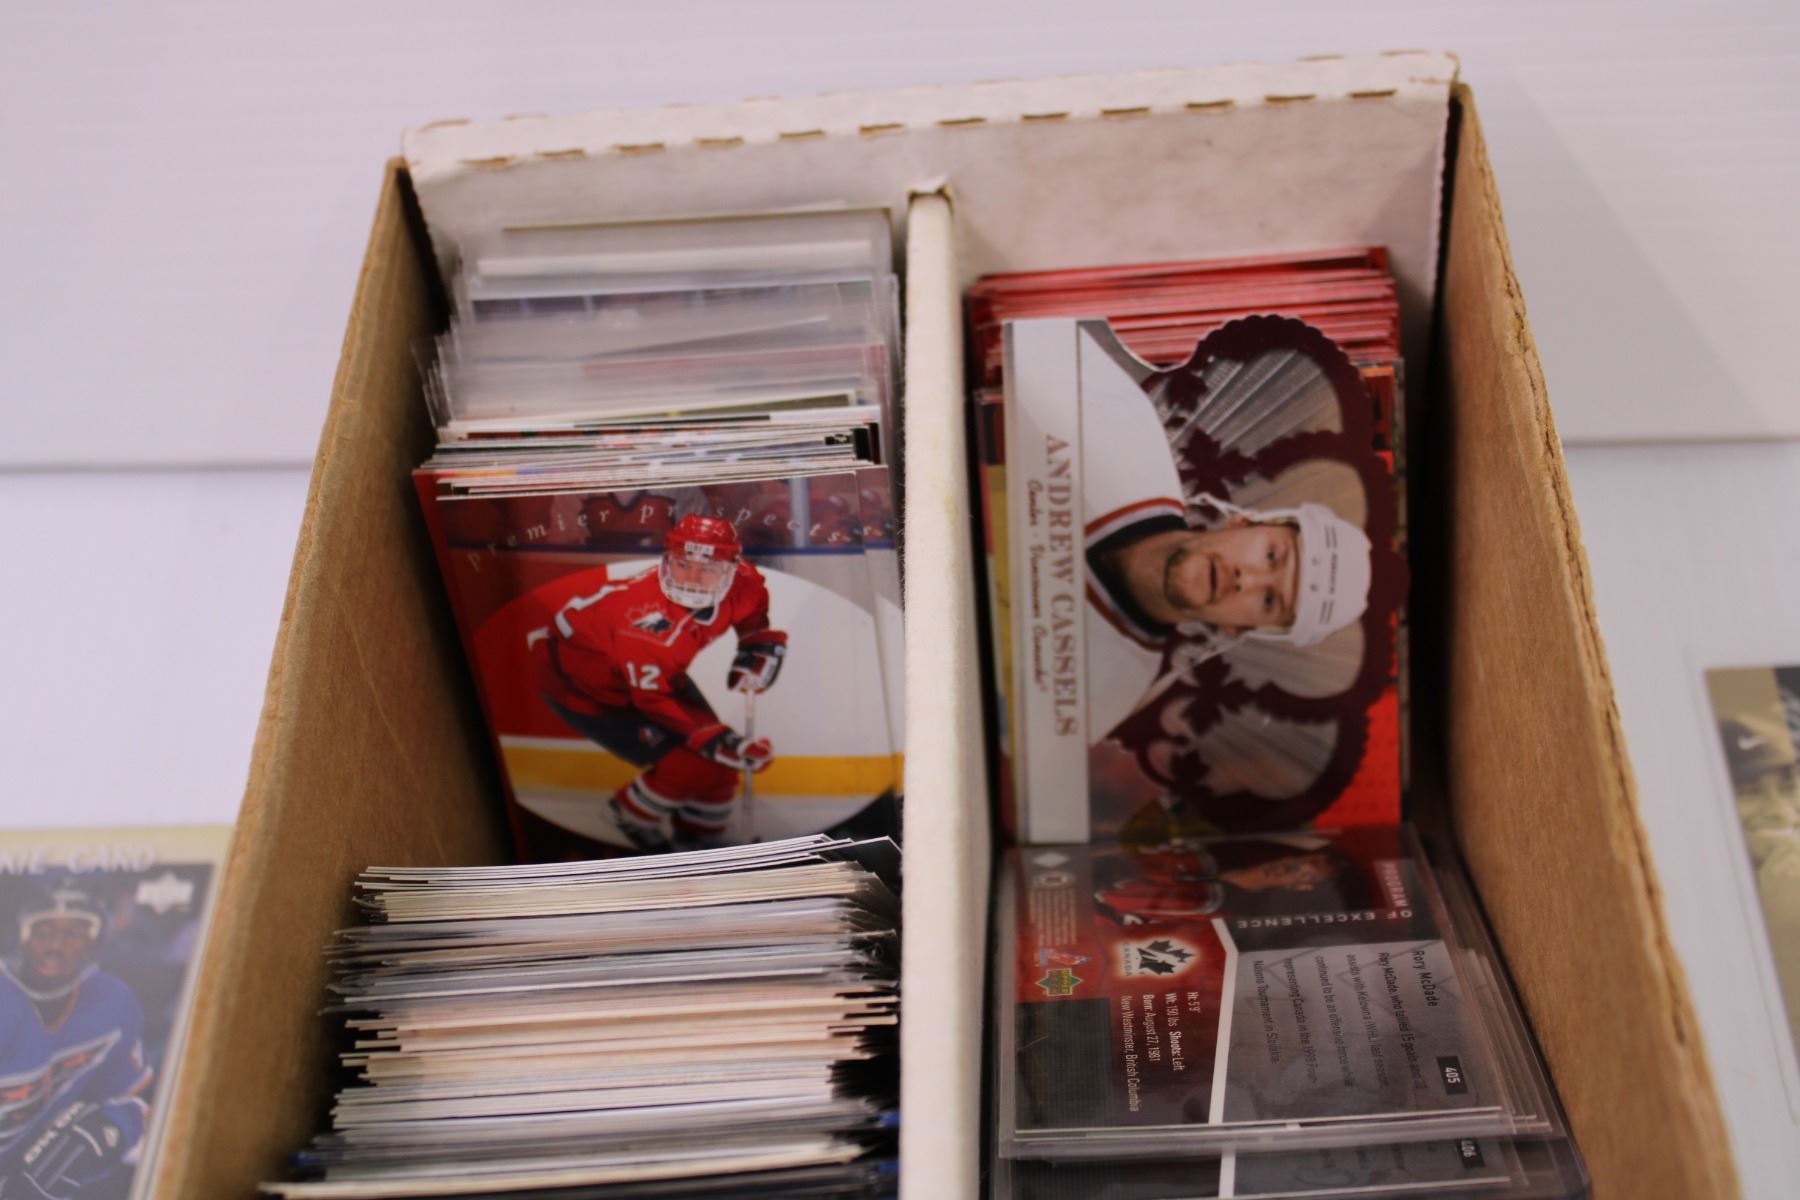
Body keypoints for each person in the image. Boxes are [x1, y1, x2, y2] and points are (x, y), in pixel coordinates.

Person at [1075, 322, 1375, 739]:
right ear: (1243, 520)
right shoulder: (1125, 439)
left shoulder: (1108, 695)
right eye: (1271, 555)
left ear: (1238, 630)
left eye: (1269, 600)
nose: (1246, 579)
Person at [532, 513, 788, 852]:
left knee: (720, 766)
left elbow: (751, 612)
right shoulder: (641, 623)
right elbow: (653, 701)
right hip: (587, 691)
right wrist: (724, 741)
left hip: (654, 674)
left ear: (731, 567)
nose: (692, 580)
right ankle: (628, 815)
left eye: (708, 569)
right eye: (683, 565)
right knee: (696, 762)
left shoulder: (745, 581)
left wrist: (755, 641)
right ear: (668, 560)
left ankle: (701, 839)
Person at [0, 886, 152, 1199]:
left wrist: (109, 1131)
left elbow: (135, 1099)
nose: (55, 946)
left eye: (73, 934)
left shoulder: (113, 1002)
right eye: (43, 932)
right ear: (22, 938)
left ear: (93, 943)